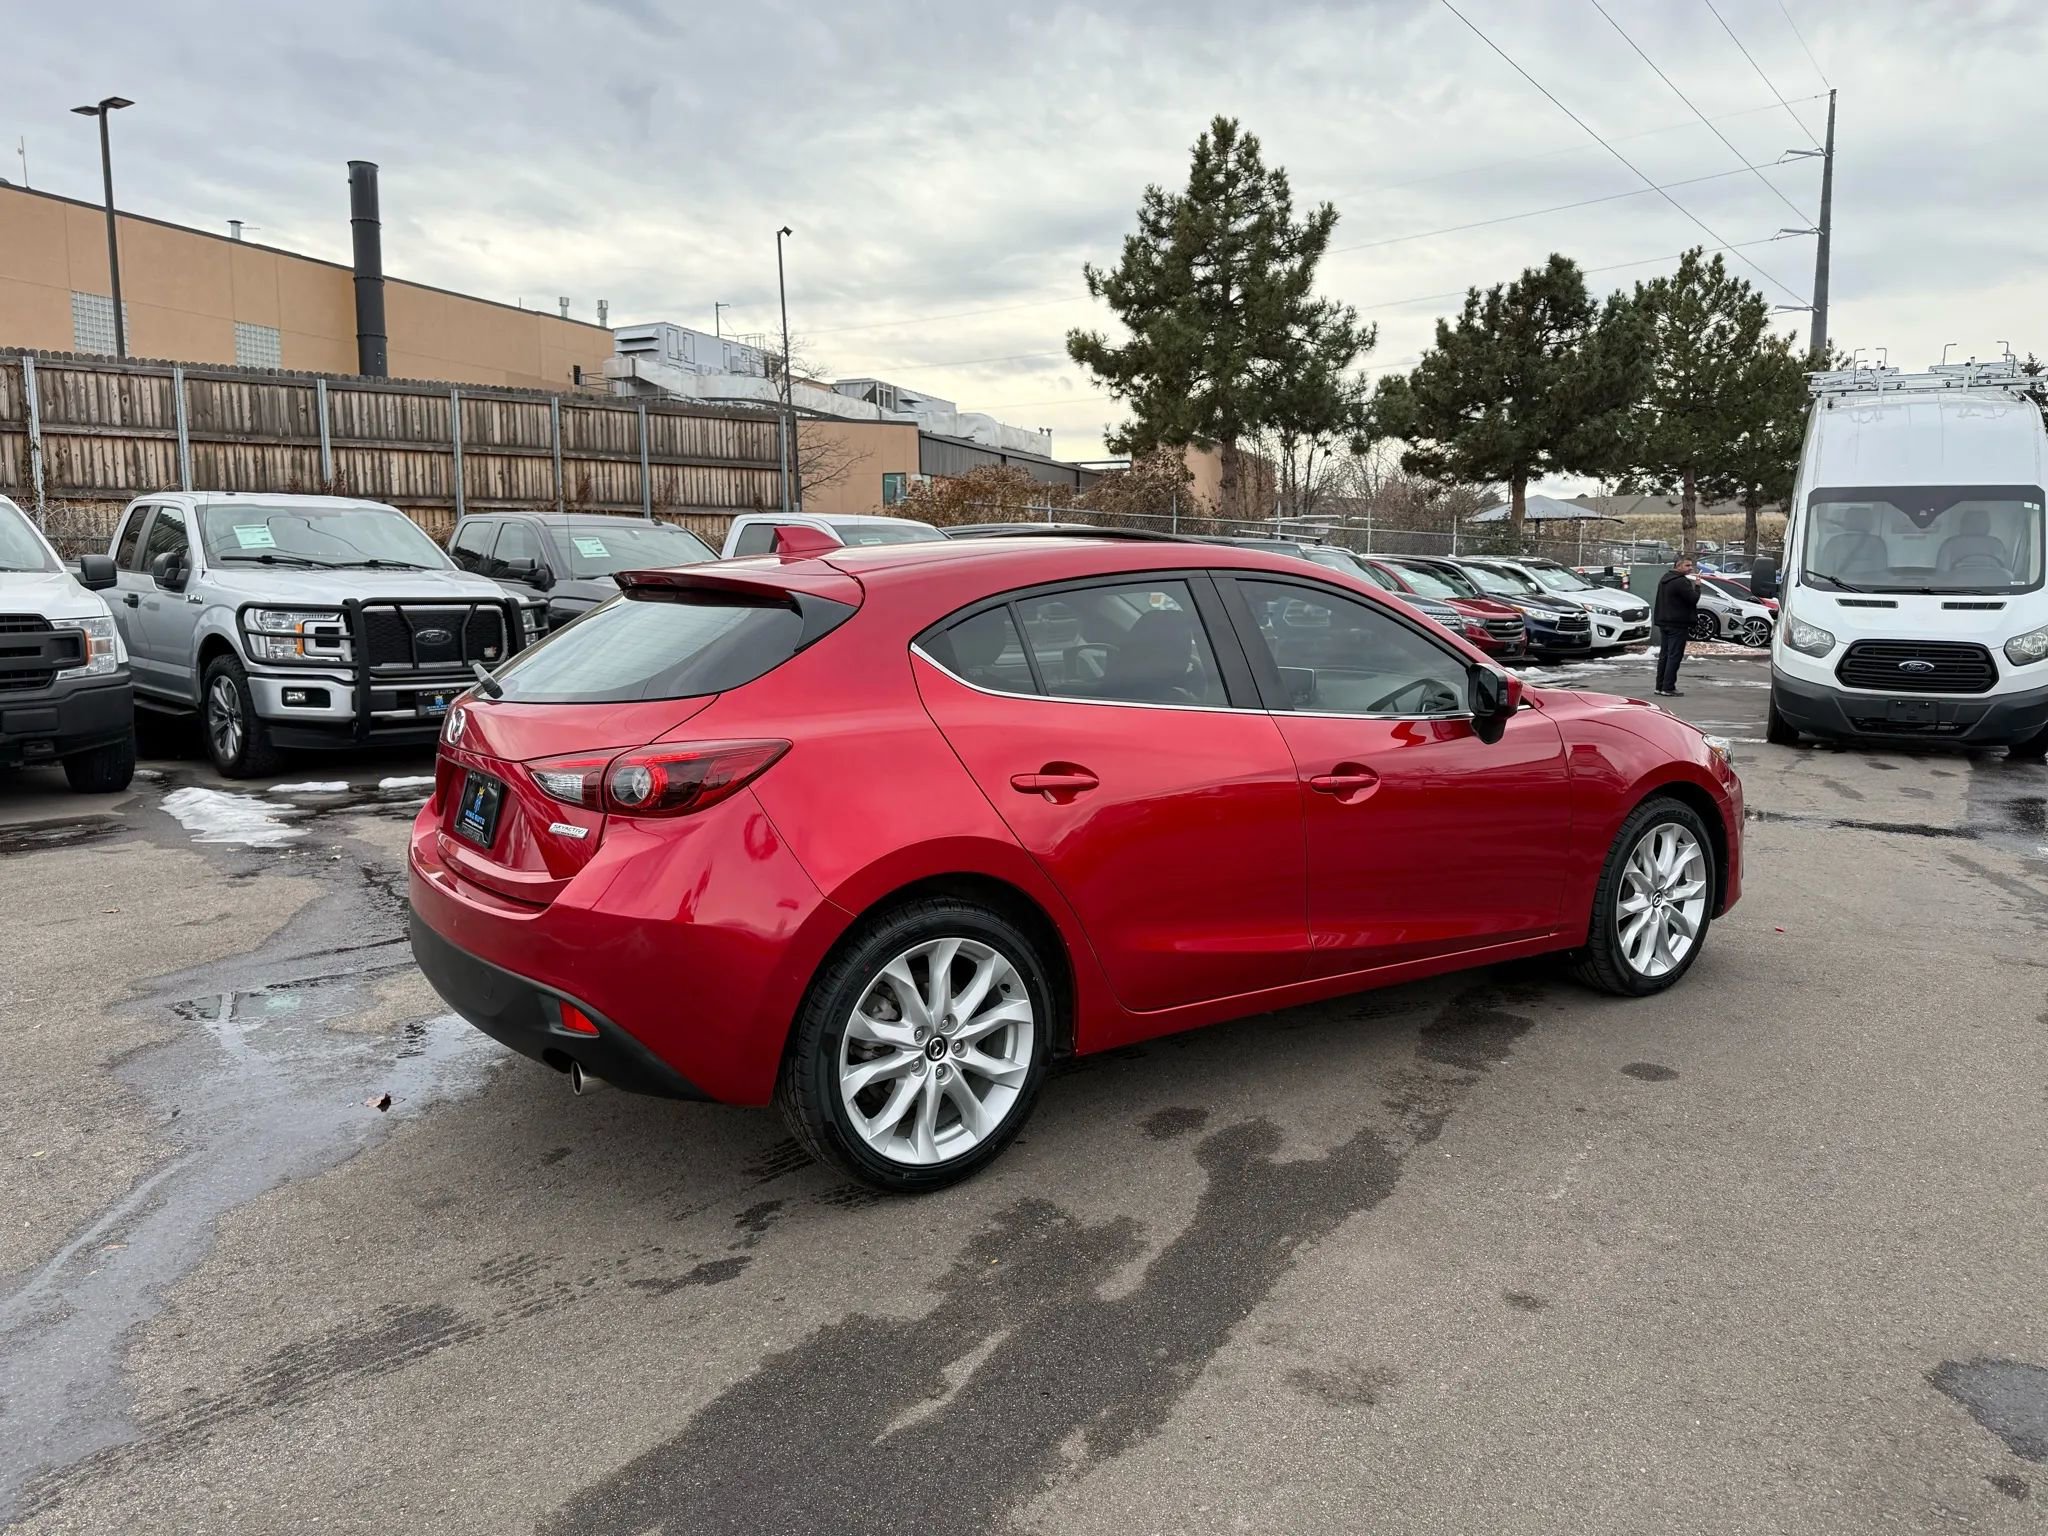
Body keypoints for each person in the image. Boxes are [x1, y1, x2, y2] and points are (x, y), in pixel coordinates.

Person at [1652, 555, 1701, 696]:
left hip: (1664, 622)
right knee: (1674, 655)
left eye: (1691, 565)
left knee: (1665, 655)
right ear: (1678, 566)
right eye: (1687, 565)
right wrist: (1697, 587)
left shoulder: (1665, 578)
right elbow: (1693, 599)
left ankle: (1660, 686)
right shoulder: (1681, 582)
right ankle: (1668, 687)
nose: (1690, 568)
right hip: (1678, 624)